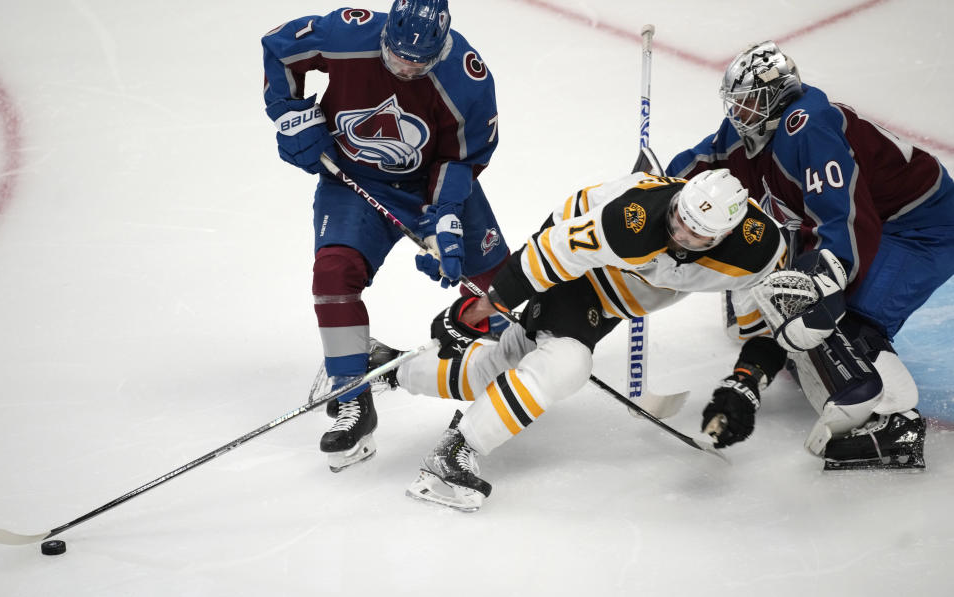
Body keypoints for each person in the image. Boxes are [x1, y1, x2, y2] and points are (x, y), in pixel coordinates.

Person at [371, 169, 786, 511]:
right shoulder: (634, 218)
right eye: (678, 217)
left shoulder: (759, 254)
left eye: (695, 235)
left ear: (723, 236)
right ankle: (454, 452)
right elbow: (550, 252)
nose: (678, 233)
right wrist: (478, 310)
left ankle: (383, 366)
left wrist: (746, 382)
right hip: (578, 270)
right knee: (566, 363)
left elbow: (767, 327)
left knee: (497, 373)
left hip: (612, 300)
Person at [668, 40, 954, 470]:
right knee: (782, 292)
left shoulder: (811, 129)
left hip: (921, 229)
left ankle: (896, 423)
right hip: (878, 220)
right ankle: (817, 345)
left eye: (748, 103)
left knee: (837, 316)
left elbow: (848, 221)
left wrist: (822, 288)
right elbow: (704, 162)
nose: (737, 113)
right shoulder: (754, 129)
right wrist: (653, 191)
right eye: (736, 104)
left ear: (776, 98)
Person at [261, 0, 510, 472]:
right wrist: (290, 114)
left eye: (420, 61)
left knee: (498, 285)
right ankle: (352, 394)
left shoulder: (469, 79)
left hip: (430, 186)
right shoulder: (345, 34)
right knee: (333, 273)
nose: (407, 66)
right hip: (354, 182)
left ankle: (517, 361)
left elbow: (461, 160)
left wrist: (446, 218)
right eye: (397, 56)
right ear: (384, 34)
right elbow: (280, 49)